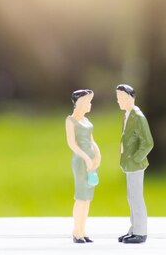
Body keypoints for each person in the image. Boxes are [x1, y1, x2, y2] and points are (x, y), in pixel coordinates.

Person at [115, 84, 154, 244]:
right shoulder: (128, 115)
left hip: (135, 164)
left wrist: (136, 159)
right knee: (131, 197)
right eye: (117, 98)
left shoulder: (138, 117)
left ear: (130, 98)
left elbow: (148, 143)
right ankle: (134, 229)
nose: (118, 101)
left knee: (136, 197)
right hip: (129, 164)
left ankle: (141, 231)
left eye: (121, 98)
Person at [65, 89, 101, 243]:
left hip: (91, 160)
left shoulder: (87, 121)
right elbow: (72, 143)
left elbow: (92, 140)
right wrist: (86, 158)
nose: (90, 105)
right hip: (81, 162)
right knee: (80, 196)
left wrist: (97, 154)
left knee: (87, 197)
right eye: (88, 101)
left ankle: (83, 229)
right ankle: (76, 231)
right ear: (80, 103)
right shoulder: (71, 121)